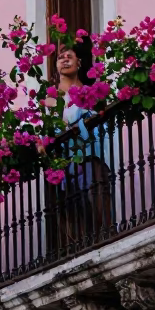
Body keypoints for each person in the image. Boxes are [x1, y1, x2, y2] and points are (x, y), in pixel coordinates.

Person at [48, 42, 112, 250]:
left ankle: (103, 242)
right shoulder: (49, 101)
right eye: (60, 58)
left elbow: (101, 128)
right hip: (64, 166)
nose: (65, 60)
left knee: (97, 205)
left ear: (79, 63)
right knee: (73, 214)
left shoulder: (91, 94)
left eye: (69, 56)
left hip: (91, 157)